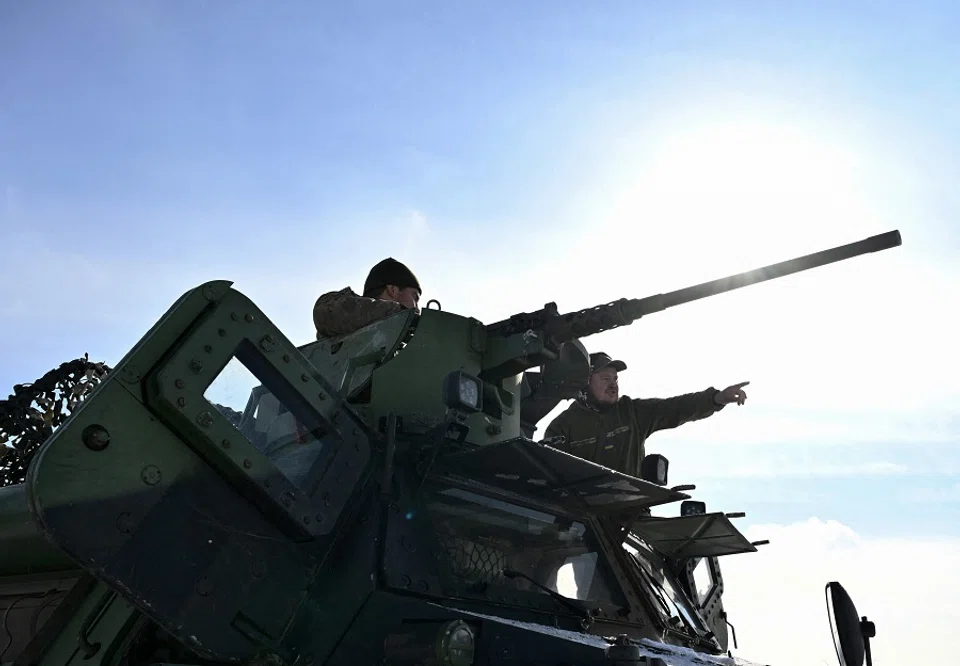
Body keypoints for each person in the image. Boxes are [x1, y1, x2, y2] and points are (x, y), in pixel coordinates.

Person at [543, 351, 749, 479]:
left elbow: (675, 408)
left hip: (631, 515)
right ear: (585, 383)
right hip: (584, 519)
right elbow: (552, 474)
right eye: (605, 378)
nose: (613, 384)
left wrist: (716, 398)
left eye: (615, 379)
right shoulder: (562, 426)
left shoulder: (632, 412)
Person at [312, 257, 422, 339]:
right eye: (414, 298)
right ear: (393, 290)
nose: (417, 308)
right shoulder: (336, 308)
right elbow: (325, 312)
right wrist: (401, 313)